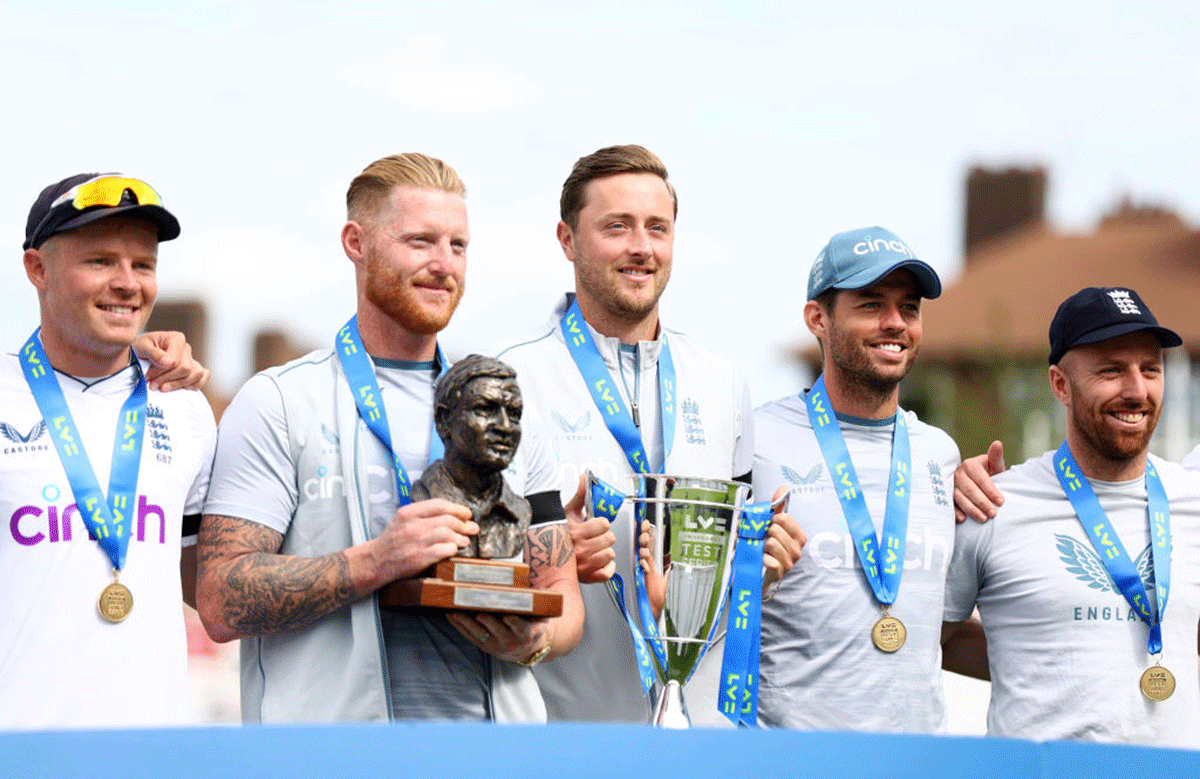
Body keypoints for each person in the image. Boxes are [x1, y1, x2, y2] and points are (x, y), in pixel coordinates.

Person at [195, 153, 584, 724]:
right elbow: (221, 599)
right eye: (420, 241)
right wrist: (377, 561)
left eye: (458, 245)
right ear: (356, 242)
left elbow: (564, 595)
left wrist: (538, 641)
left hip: (494, 756)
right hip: (335, 759)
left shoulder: (509, 411)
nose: (444, 264)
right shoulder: (280, 402)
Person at [498, 145, 804, 726]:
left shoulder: (722, 381)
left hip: (701, 743)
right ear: (567, 240)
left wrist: (759, 559)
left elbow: (730, 561)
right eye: (617, 227)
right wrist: (543, 558)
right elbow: (474, 558)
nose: (641, 247)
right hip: (569, 744)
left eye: (657, 228)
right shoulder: (514, 383)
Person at [0, 173, 216, 730]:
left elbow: (209, 589)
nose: (127, 283)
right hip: (19, 749)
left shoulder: (184, 406)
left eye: (143, 265)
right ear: (37, 270)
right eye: (100, 261)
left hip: (156, 750)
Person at [943, 286, 1200, 747]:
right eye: (1112, 371)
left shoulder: (1192, 501)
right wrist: (1023, 657)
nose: (1137, 390)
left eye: (1151, 370)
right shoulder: (994, 504)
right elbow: (929, 639)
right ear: (1061, 385)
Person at [751, 226, 979, 733]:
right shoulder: (756, 440)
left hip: (919, 763)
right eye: (871, 305)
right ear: (818, 318)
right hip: (792, 762)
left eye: (910, 307)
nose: (895, 323)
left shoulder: (941, 455)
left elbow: (944, 629)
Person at [411, 355, 530, 559]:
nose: (505, 426)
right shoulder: (426, 501)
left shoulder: (520, 511)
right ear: (444, 420)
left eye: (513, 414)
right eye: (485, 409)